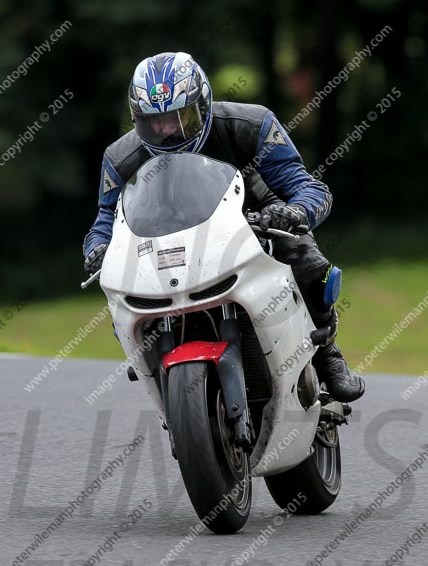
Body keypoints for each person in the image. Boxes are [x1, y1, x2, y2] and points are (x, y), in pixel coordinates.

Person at [83, 52, 365, 402]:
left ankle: (327, 353)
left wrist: (294, 212)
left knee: (305, 258)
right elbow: (104, 223)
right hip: (164, 239)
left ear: (203, 105)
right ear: (137, 120)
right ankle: (147, 360)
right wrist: (97, 250)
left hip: (256, 217)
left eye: (179, 118)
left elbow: (306, 186)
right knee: (120, 292)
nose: (167, 130)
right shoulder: (120, 158)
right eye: (154, 122)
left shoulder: (251, 124)